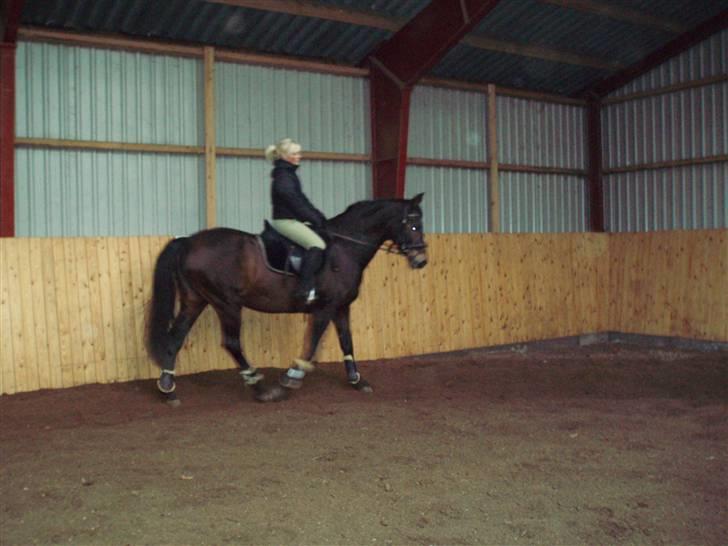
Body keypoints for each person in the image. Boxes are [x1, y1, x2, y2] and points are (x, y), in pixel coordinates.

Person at [265, 138, 327, 304]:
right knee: (317, 245)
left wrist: (318, 216)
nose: (299, 156)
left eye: (298, 153)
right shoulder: (284, 177)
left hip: (292, 219)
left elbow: (302, 200)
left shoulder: (288, 174)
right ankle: (305, 288)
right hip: (285, 221)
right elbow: (294, 202)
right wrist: (314, 218)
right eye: (295, 153)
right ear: (286, 156)